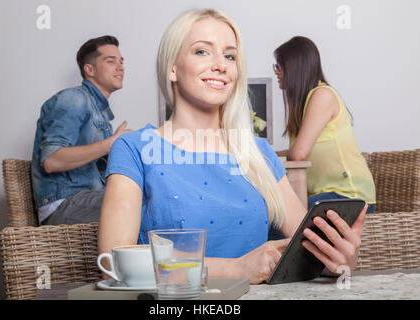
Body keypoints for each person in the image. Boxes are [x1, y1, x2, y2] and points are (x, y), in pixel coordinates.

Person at [98, 9, 367, 284]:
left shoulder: (258, 152)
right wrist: (234, 269)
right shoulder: (134, 148)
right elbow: (114, 261)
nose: (221, 65)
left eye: (230, 56)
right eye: (202, 52)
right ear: (173, 68)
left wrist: (341, 258)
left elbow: (310, 249)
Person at [31, 35, 132, 225]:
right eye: (110, 61)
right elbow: (52, 160)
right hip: (64, 205)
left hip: (87, 200)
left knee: (152, 193)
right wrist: (110, 143)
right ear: (89, 69)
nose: (120, 67)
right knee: (139, 202)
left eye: (121, 62)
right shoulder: (73, 99)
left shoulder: (100, 115)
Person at [273, 36, 376, 213]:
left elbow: (297, 154)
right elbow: (296, 152)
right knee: (275, 215)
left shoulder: (323, 95)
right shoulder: (304, 105)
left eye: (279, 66)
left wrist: (267, 154)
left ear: (294, 68)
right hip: (330, 196)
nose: (276, 72)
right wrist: (264, 152)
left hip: (349, 197)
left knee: (277, 219)